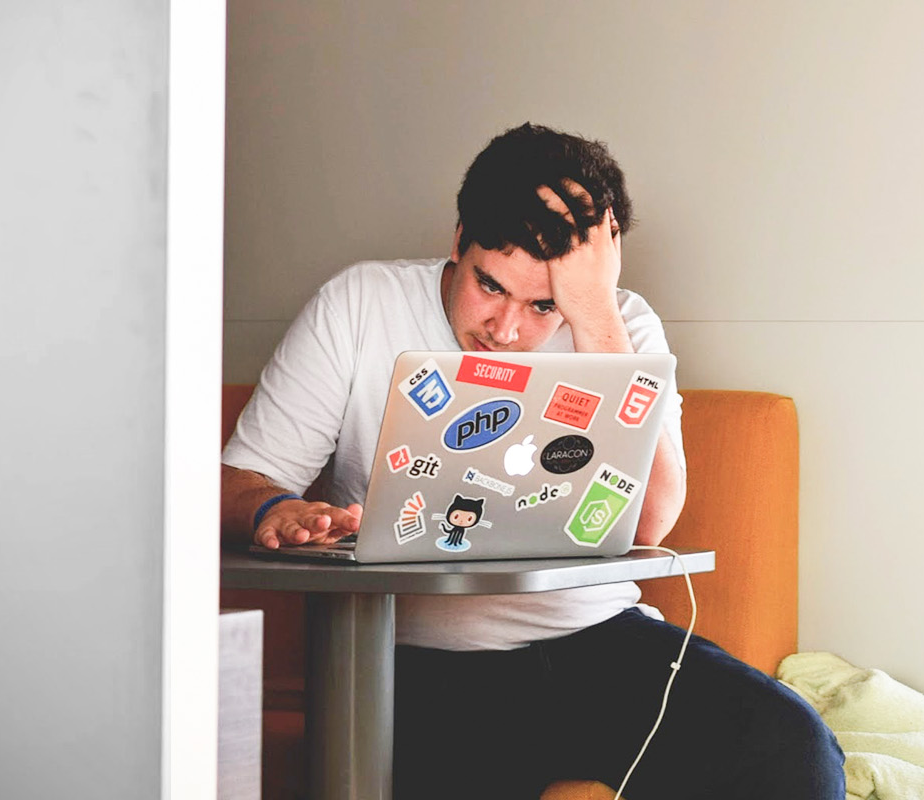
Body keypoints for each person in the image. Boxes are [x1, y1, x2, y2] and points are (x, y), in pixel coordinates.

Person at [220, 123, 845, 798]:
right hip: (418, 661)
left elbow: (651, 524)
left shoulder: (621, 326)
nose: (507, 330)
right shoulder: (360, 304)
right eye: (490, 287)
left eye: (543, 304)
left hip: (597, 640)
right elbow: (234, 483)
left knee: (797, 752)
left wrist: (594, 315)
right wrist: (276, 509)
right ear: (459, 240)